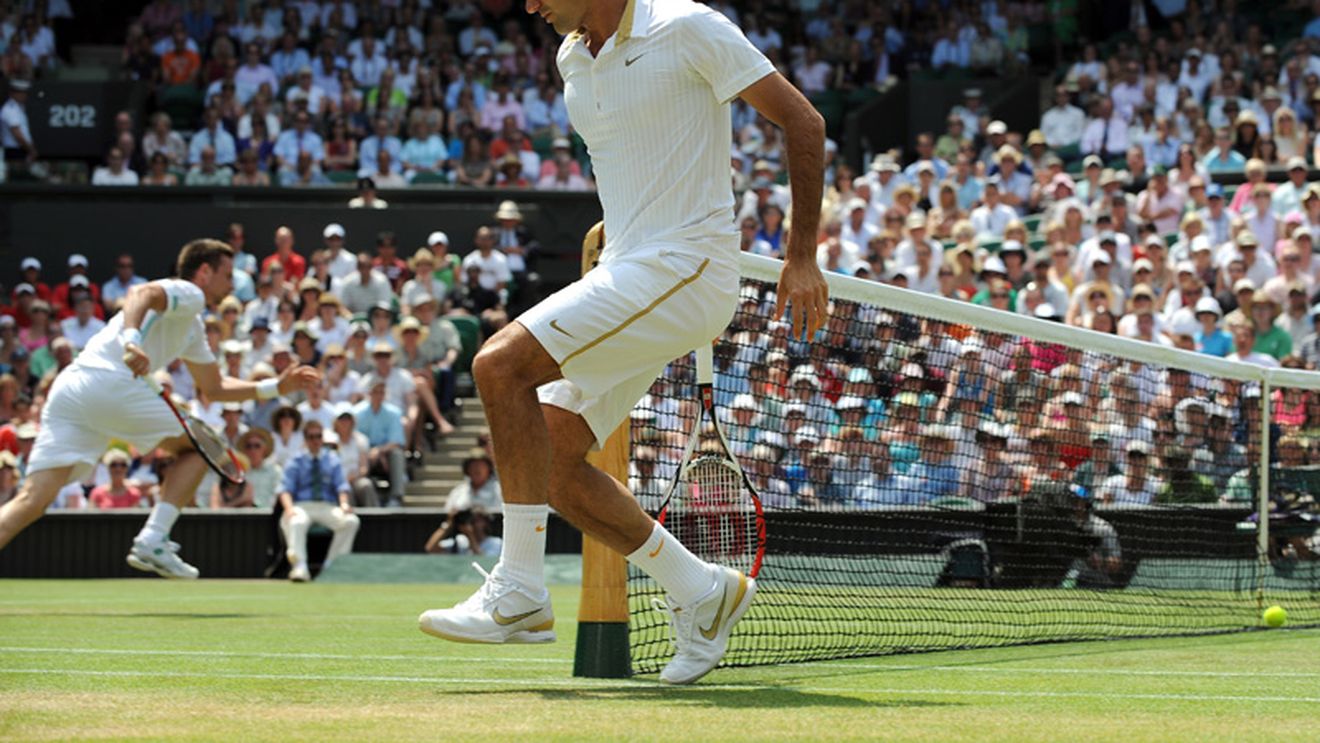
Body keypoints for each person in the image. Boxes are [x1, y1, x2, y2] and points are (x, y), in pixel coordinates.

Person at [418, 0, 828, 687]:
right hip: (631, 269)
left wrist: (802, 255)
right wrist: (620, 227)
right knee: (547, 453)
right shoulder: (572, 55)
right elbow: (638, 155)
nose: (529, 5)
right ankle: (701, 588)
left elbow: (803, 120)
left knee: (497, 365)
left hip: (688, 268)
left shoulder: (688, 25)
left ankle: (519, 590)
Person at [0, 239, 320, 576]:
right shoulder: (188, 291)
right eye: (228, 275)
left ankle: (153, 539)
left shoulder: (193, 327)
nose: (232, 284)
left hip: (71, 391)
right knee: (202, 448)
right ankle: (153, 537)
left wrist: (275, 387)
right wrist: (132, 340)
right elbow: (140, 294)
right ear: (205, 271)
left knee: (31, 502)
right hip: (111, 383)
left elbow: (215, 387)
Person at [277, 419, 359, 582]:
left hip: (326, 506)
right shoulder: (296, 461)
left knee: (351, 521)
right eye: (311, 437)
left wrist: (344, 504)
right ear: (306, 439)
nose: (315, 441)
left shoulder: (333, 460)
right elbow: (285, 489)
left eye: (318, 436)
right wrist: (289, 509)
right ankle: (299, 567)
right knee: (296, 521)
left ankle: (333, 566)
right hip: (302, 506)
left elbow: (341, 486)